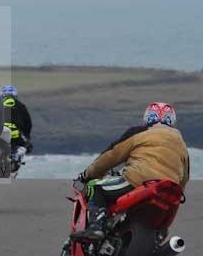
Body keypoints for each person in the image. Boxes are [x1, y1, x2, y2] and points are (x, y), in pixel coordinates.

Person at [71, 102, 190, 241]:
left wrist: (86, 175)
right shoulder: (181, 142)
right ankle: (158, 236)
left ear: (148, 118)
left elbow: (110, 156)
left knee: (97, 188)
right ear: (172, 120)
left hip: (139, 179)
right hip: (170, 188)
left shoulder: (140, 132)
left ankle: (96, 228)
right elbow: (185, 177)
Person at [0, 85, 33, 162]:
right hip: (15, 134)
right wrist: (27, 136)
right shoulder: (21, 106)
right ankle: (17, 154)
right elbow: (28, 123)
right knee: (27, 146)